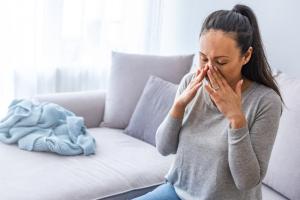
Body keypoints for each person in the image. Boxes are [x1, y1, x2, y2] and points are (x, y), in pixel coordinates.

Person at [132, 4, 283, 200]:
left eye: (221, 62)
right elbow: (163, 147)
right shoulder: (190, 82)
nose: (210, 69)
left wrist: (236, 119)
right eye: (203, 58)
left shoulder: (266, 101)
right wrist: (178, 107)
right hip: (177, 192)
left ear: (246, 56)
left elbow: (246, 181)